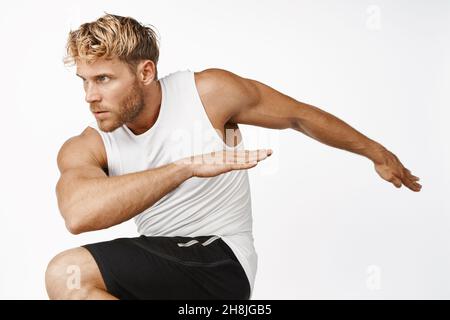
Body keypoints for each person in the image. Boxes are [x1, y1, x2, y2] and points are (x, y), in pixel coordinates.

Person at [45, 13, 422, 300]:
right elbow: (79, 214)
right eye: (85, 81)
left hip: (221, 260)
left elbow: (299, 116)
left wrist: (377, 152)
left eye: (104, 79)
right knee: (76, 286)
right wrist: (184, 168)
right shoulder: (89, 144)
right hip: (165, 267)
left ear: (145, 72)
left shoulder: (208, 93)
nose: (90, 96)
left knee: (68, 272)